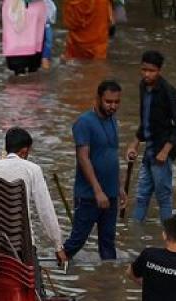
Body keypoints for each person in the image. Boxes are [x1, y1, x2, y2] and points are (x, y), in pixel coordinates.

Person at [57, 79, 123, 264]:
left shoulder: (113, 122)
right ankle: (57, 265)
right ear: (98, 99)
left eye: (116, 102)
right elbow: (83, 157)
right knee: (77, 240)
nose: (112, 106)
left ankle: (108, 280)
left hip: (110, 194)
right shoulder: (84, 123)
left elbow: (113, 156)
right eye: (108, 102)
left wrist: (119, 187)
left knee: (108, 242)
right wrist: (97, 190)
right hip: (89, 195)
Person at [126, 50, 176, 224]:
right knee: (142, 195)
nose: (147, 74)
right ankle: (133, 235)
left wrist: (166, 151)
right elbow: (146, 119)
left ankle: (169, 239)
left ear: (159, 71)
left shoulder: (168, 92)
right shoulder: (143, 87)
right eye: (144, 70)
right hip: (149, 150)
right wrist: (135, 143)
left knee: (163, 198)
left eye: (151, 71)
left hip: (161, 153)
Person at [0, 127, 62, 253]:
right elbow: (45, 211)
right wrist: (58, 246)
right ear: (24, 151)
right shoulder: (33, 169)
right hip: (23, 244)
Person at [0, 0, 48, 76]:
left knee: (19, 66)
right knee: (33, 67)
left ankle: (21, 76)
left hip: (16, 10)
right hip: (31, 9)